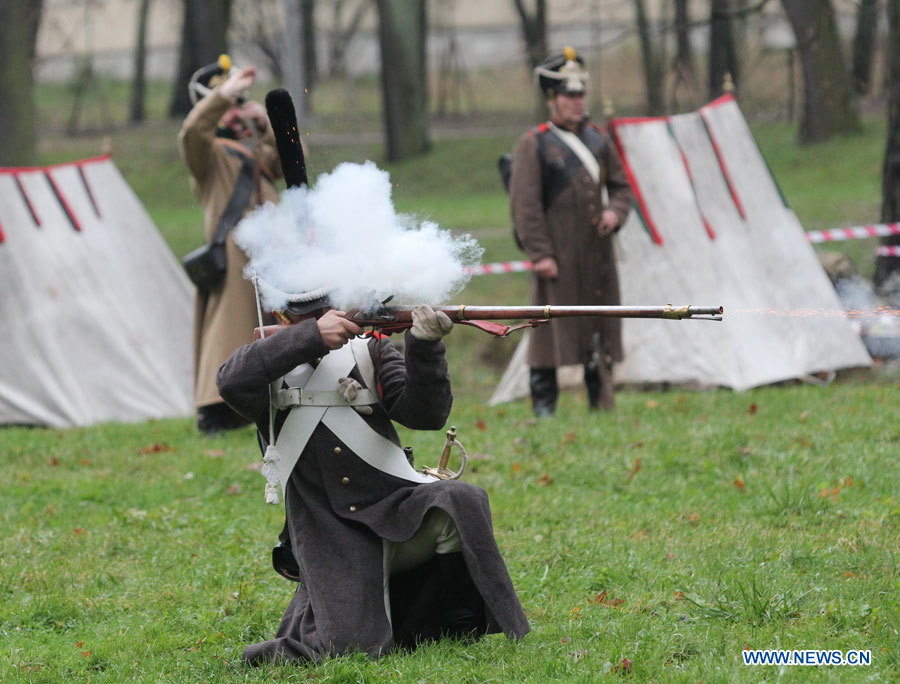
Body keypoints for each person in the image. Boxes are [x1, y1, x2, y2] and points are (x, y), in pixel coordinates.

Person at [216, 289, 530, 664]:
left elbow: (425, 415)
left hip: (394, 510)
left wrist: (425, 345)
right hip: (326, 533)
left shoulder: (370, 350)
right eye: (305, 317)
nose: (318, 318)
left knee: (461, 500)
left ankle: (440, 625)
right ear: (283, 318)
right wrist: (311, 337)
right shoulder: (268, 367)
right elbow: (230, 381)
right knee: (350, 649)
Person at [509, 46, 634, 416]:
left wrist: (615, 214)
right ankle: (544, 409)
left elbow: (623, 188)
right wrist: (541, 254)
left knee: (600, 329)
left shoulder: (598, 140)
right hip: (558, 256)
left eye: (581, 94)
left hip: (597, 256)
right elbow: (525, 206)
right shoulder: (535, 143)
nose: (577, 102)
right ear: (552, 99)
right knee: (548, 335)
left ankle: (602, 403)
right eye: (569, 95)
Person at [178, 57, 282, 435]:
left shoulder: (253, 151)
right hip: (236, 255)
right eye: (231, 107)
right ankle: (215, 408)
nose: (237, 114)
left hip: (273, 254)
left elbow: (290, 158)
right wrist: (223, 98)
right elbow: (191, 132)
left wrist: (265, 121)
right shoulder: (209, 154)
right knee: (230, 331)